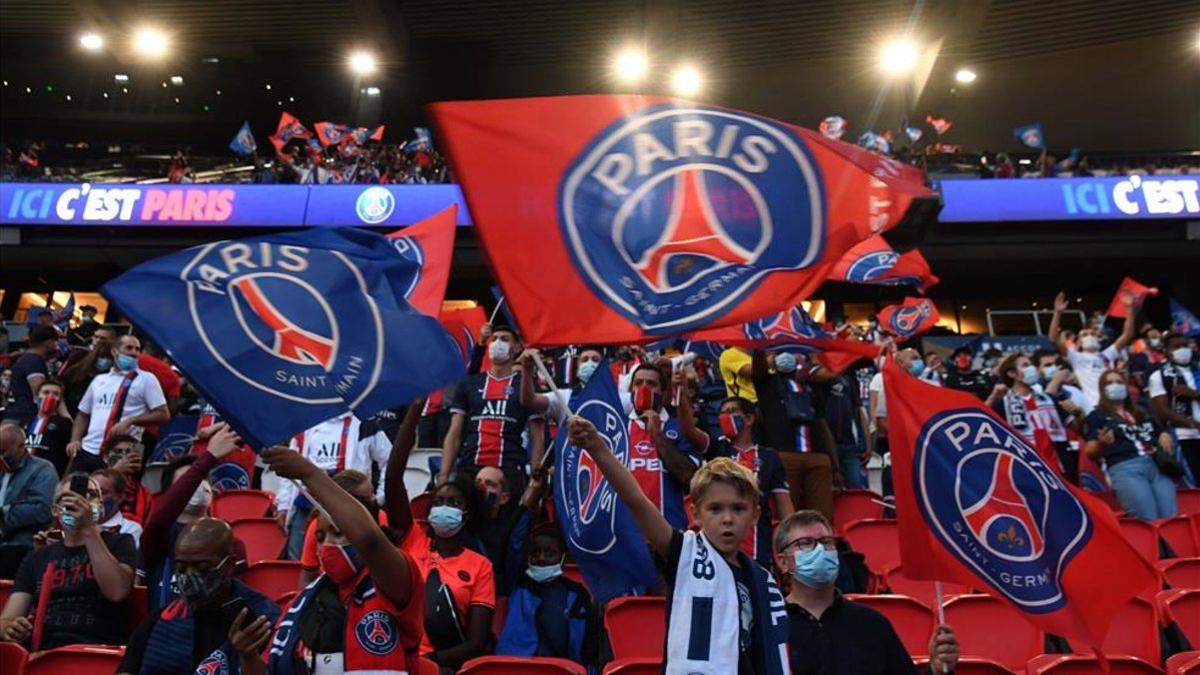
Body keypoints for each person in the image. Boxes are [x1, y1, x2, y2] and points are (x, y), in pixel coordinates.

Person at [571, 415, 790, 674]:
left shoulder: (763, 581)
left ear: (755, 515)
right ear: (695, 514)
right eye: (715, 509)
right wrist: (597, 447)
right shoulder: (684, 552)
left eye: (738, 509)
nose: (728, 519)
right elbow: (635, 499)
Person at [262, 446, 425, 675]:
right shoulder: (301, 606)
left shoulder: (395, 583)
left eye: (338, 533)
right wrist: (247, 655)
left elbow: (370, 540)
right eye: (320, 538)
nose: (328, 544)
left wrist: (310, 473)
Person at [774, 510, 960, 674]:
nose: (820, 550)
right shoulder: (770, 627)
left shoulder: (871, 623)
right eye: (805, 543)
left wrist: (936, 670)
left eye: (826, 542)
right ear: (783, 562)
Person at [117, 518, 280, 675]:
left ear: (229, 565)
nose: (189, 575)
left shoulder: (261, 618)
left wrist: (249, 657)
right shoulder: (161, 620)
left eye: (201, 566)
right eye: (181, 567)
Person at [0, 473, 136, 649]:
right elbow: (7, 619)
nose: (81, 501)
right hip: (44, 651)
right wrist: (11, 629)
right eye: (70, 497)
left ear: (100, 506)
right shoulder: (37, 558)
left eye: (91, 495)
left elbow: (117, 592)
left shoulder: (120, 542)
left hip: (97, 650)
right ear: (56, 510)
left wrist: (88, 529)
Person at [142, 424, 245, 613]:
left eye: (203, 478)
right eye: (189, 481)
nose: (198, 484)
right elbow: (159, 522)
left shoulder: (230, 542)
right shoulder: (159, 537)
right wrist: (209, 456)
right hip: (165, 633)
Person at [439, 326, 545, 491]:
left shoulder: (526, 386)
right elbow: (454, 433)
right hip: (470, 466)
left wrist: (534, 479)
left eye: (504, 339)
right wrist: (444, 477)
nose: (497, 343)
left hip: (510, 468)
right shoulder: (469, 384)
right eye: (494, 339)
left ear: (517, 347)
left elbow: (537, 436)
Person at [275, 412, 392, 560]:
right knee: (297, 553)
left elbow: (389, 459)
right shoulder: (304, 424)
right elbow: (289, 467)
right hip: (308, 500)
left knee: (349, 555)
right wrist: (283, 504)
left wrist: (379, 497)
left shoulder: (364, 423)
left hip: (348, 501)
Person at [704, 397, 794, 567]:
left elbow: (784, 506)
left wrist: (792, 543)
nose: (725, 417)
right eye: (721, 413)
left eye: (731, 412)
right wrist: (683, 395)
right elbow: (690, 432)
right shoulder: (717, 449)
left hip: (758, 547)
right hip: (719, 548)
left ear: (749, 419)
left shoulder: (768, 456)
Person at [496, 523, 598, 668]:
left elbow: (588, 647)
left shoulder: (577, 593)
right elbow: (514, 542)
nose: (542, 558)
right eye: (536, 553)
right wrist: (528, 506)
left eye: (550, 553)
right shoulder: (517, 584)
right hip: (517, 668)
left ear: (562, 558)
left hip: (563, 669)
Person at [1084, 369, 1178, 520]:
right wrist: (1102, 444)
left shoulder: (1141, 410)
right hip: (1126, 468)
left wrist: (1164, 434)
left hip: (1157, 464)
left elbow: (1158, 430)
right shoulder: (1097, 416)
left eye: (1119, 382)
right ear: (1102, 389)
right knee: (1147, 519)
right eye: (1109, 383)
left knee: (1170, 517)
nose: (1115, 385)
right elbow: (1090, 452)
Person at [67, 335, 170, 474]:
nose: (134, 352)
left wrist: (131, 421)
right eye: (129, 348)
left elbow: (163, 414)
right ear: (115, 351)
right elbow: (83, 414)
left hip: (121, 454)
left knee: (113, 494)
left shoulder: (146, 379)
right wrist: (75, 440)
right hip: (88, 449)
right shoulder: (99, 380)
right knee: (73, 492)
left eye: (138, 349)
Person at [753, 352, 837, 518]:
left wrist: (835, 465)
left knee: (823, 516)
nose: (786, 356)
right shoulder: (768, 385)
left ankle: (822, 543)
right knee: (788, 517)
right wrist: (758, 345)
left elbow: (822, 425)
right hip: (785, 457)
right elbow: (758, 370)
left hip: (818, 457)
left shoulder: (812, 386)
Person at [989, 354, 1074, 481]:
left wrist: (1077, 413)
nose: (1032, 369)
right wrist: (993, 396)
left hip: (1061, 466)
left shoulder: (1049, 399)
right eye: (1025, 365)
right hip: (1027, 469)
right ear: (1012, 373)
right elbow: (979, 419)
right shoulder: (1003, 403)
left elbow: (1075, 428)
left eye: (1031, 365)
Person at [1050, 292, 1136, 409]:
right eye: (1084, 335)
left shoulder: (1107, 354)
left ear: (1098, 338)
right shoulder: (1075, 357)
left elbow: (1127, 334)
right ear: (1079, 342)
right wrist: (1057, 313)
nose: (1089, 336)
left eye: (1092, 334)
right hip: (1094, 407)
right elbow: (1053, 338)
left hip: (1116, 404)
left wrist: (1130, 309)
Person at [0, 425, 57, 579]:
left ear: (21, 446)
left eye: (3, 451)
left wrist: (4, 513)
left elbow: (42, 510)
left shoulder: (43, 469)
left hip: (21, 544)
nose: (1, 456)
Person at [1148, 334, 1200, 481]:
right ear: (1166, 351)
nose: (1182, 349)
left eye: (1185, 345)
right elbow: (1162, 410)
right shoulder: (1159, 376)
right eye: (1177, 347)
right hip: (1185, 436)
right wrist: (1193, 424)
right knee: (1194, 481)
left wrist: (1194, 394)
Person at [1, 325, 57, 427]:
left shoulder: (25, 359)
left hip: (15, 415)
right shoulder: (33, 362)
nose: (56, 346)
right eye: (55, 342)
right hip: (22, 419)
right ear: (48, 343)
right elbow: (40, 393)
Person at [25, 378, 73, 477]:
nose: (50, 396)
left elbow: (70, 454)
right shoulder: (26, 421)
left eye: (56, 394)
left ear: (60, 400)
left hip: (46, 475)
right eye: (46, 392)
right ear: (36, 397)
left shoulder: (64, 424)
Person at [60, 336, 115, 416]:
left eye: (109, 359)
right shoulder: (75, 372)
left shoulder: (109, 380)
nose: (106, 361)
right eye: (103, 357)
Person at [90, 468, 143, 546]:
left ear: (120, 498)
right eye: (90, 492)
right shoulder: (76, 520)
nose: (93, 497)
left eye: (102, 492)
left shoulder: (129, 529)